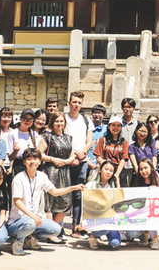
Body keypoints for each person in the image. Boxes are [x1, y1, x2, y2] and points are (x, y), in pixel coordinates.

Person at [6, 148, 85, 256]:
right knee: (30, 223)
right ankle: (18, 242)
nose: (32, 162)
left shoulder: (42, 176)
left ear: (39, 161)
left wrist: (73, 188)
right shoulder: (18, 178)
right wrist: (33, 216)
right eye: (28, 159)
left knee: (56, 229)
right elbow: (17, 202)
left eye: (35, 159)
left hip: (34, 219)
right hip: (18, 221)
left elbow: (55, 192)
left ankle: (29, 238)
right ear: (24, 162)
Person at [38, 112, 75, 244]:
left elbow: (72, 154)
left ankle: (51, 229)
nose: (59, 124)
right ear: (52, 123)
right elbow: (39, 154)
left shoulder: (69, 138)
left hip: (64, 171)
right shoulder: (47, 137)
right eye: (57, 121)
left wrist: (66, 161)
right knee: (50, 202)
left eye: (61, 121)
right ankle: (51, 234)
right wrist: (53, 159)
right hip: (51, 170)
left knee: (66, 202)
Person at [64, 91, 93, 237]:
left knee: (78, 195)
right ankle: (59, 227)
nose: (76, 105)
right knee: (63, 194)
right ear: (69, 102)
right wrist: (74, 155)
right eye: (74, 102)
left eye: (79, 102)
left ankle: (76, 226)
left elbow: (89, 141)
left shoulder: (86, 120)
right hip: (66, 161)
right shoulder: (63, 119)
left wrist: (81, 153)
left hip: (82, 162)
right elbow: (61, 138)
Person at [86, 162, 120, 250]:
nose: (108, 172)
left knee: (115, 243)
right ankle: (93, 236)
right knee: (104, 229)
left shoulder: (112, 186)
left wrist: (118, 183)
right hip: (95, 219)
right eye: (106, 169)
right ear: (100, 170)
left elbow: (120, 202)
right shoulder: (91, 185)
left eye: (111, 171)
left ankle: (108, 237)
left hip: (109, 220)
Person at [130, 159, 159, 249]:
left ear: (151, 168)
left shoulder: (158, 182)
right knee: (131, 233)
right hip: (141, 214)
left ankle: (155, 238)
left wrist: (156, 191)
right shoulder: (137, 183)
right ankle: (144, 235)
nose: (143, 171)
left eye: (146, 168)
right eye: (141, 169)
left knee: (151, 216)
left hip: (154, 214)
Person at [6, 109, 43, 176]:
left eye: (30, 119)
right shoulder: (12, 133)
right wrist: (16, 151)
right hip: (18, 165)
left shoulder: (35, 135)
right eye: (25, 119)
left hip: (32, 165)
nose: (27, 121)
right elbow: (10, 157)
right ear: (21, 119)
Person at [94, 116, 128, 187]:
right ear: (109, 126)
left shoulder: (124, 142)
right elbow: (98, 156)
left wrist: (116, 174)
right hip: (106, 172)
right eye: (113, 125)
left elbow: (124, 159)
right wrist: (107, 168)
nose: (116, 128)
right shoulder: (103, 140)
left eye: (118, 125)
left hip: (119, 172)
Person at [119, 98, 138, 186]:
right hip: (121, 160)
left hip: (134, 161)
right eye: (125, 107)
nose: (127, 109)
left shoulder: (138, 124)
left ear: (133, 108)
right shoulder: (118, 124)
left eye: (130, 107)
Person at [86, 104, 107, 172]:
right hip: (88, 162)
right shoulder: (87, 128)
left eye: (99, 113)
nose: (97, 115)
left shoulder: (107, 129)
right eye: (95, 112)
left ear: (104, 115)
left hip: (102, 163)